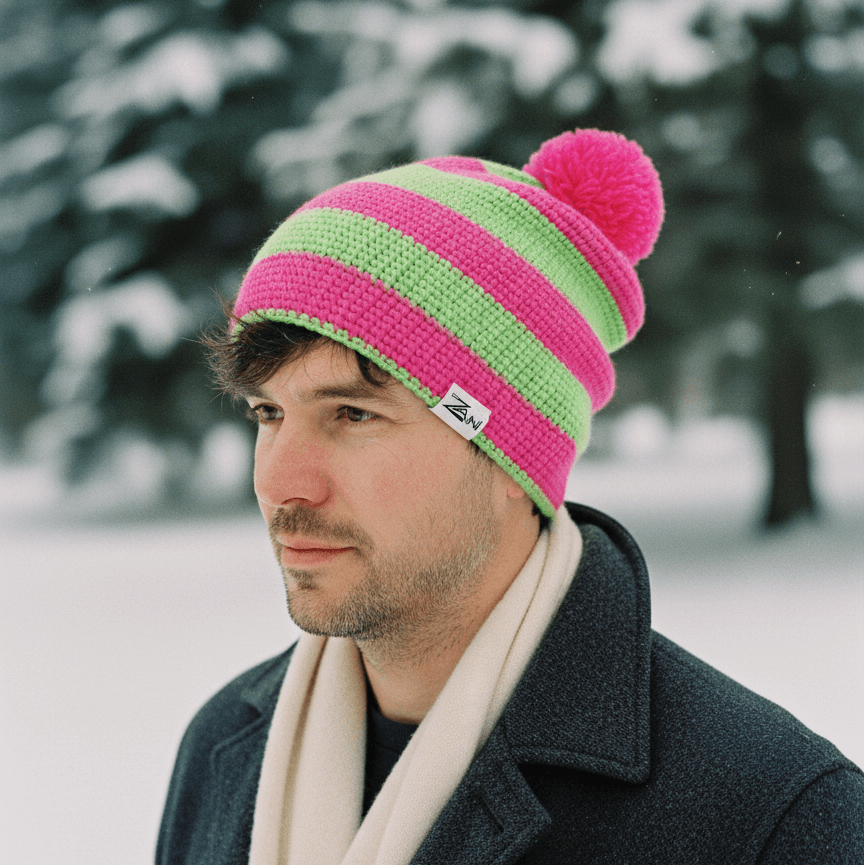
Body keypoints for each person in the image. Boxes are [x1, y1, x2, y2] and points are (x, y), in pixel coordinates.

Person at [156, 129, 864, 865]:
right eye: (268, 413)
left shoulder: (772, 816)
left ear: (506, 449)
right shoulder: (226, 747)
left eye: (353, 414)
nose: (279, 481)